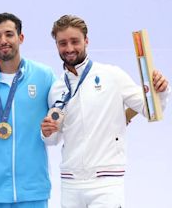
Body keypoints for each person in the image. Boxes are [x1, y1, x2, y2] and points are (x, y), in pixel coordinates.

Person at [41, 15, 170, 208]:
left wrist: (161, 91)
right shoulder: (57, 88)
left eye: (75, 41)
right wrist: (46, 132)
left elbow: (149, 109)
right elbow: (54, 139)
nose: (69, 48)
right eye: (62, 43)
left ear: (86, 40)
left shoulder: (112, 75)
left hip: (106, 183)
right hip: (70, 182)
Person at [0, 12, 56, 208]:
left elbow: (66, 109)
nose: (3, 40)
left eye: (9, 34)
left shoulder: (44, 76)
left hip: (33, 191)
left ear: (20, 38)